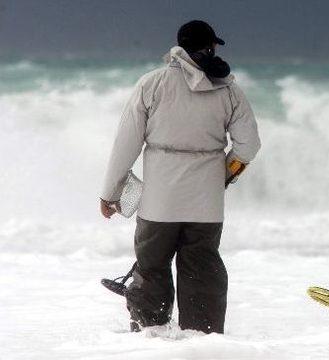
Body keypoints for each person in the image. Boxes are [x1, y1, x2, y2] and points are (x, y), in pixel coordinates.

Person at [99, 20, 261, 333]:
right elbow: (248, 145)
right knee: (202, 269)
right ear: (211, 46)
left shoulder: (152, 83)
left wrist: (110, 193)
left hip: (160, 202)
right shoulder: (229, 90)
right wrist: (224, 174)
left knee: (152, 268)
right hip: (206, 203)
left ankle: (151, 335)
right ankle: (203, 341)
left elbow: (126, 144)